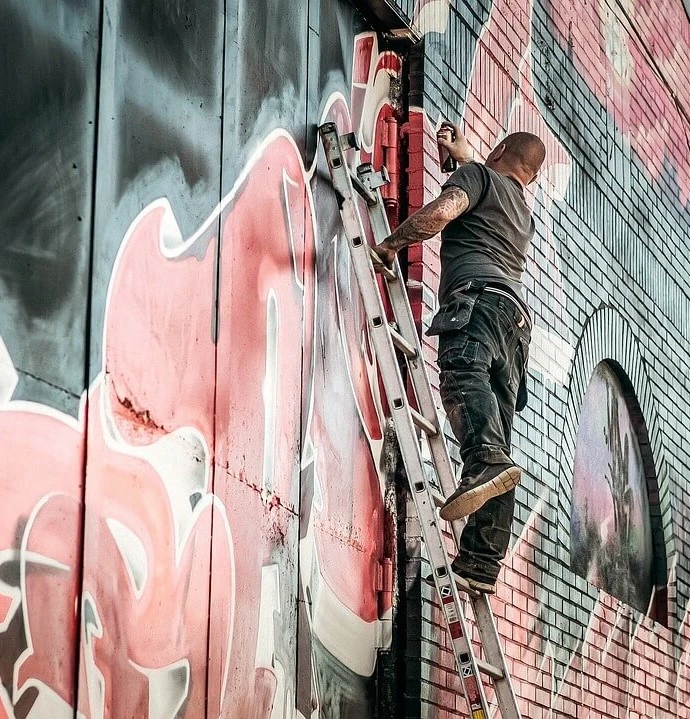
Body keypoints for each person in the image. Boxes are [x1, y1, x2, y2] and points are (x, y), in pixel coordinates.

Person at [373, 123, 546, 593]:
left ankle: (482, 459)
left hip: (476, 303)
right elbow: (491, 176)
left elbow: (443, 212)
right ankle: (481, 563)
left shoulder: (478, 178)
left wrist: (389, 244)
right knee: (501, 446)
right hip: (515, 323)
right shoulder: (521, 210)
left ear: (502, 148)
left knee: (462, 379)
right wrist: (467, 158)